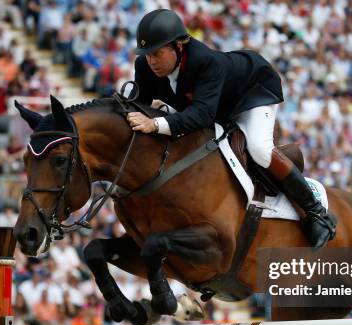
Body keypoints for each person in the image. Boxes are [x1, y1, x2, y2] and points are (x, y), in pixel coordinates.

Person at [126, 9, 336, 248]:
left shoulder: (204, 61)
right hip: (214, 105)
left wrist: (154, 124)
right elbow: (139, 103)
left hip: (250, 93)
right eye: (147, 54)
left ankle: (317, 212)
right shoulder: (145, 65)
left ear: (178, 46)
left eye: (157, 53)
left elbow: (202, 116)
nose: (152, 60)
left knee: (259, 147)